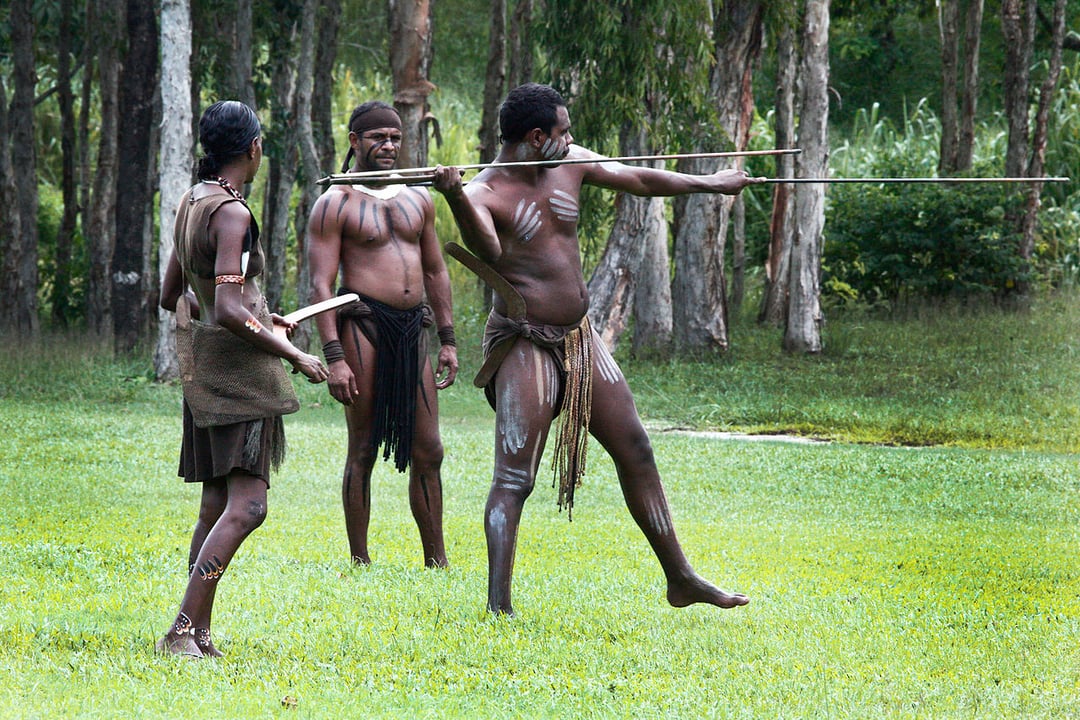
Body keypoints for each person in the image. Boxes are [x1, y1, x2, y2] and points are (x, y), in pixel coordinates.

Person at [432, 83, 764, 615]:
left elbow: (640, 178)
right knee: (515, 478)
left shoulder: (570, 163)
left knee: (636, 448)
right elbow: (488, 250)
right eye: (563, 131)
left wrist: (712, 183)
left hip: (580, 340)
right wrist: (451, 194)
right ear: (537, 137)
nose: (571, 139)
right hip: (525, 343)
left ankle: (681, 578)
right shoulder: (482, 193)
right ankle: (499, 605)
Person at [157, 100, 329, 657]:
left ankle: (198, 630)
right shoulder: (231, 213)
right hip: (240, 376)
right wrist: (292, 353)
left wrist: (258, 312)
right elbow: (230, 308)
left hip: (206, 370)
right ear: (253, 148)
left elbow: (173, 295)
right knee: (248, 506)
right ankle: (182, 630)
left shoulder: (191, 201)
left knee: (216, 505)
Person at [307, 101, 458, 568]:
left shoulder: (419, 198)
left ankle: (437, 560)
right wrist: (334, 357)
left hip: (414, 332)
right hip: (362, 328)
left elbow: (435, 270)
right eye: (378, 138)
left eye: (395, 138)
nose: (389, 146)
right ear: (355, 141)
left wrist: (448, 339)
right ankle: (359, 560)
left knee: (428, 449)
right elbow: (321, 285)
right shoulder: (335, 202)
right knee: (365, 446)